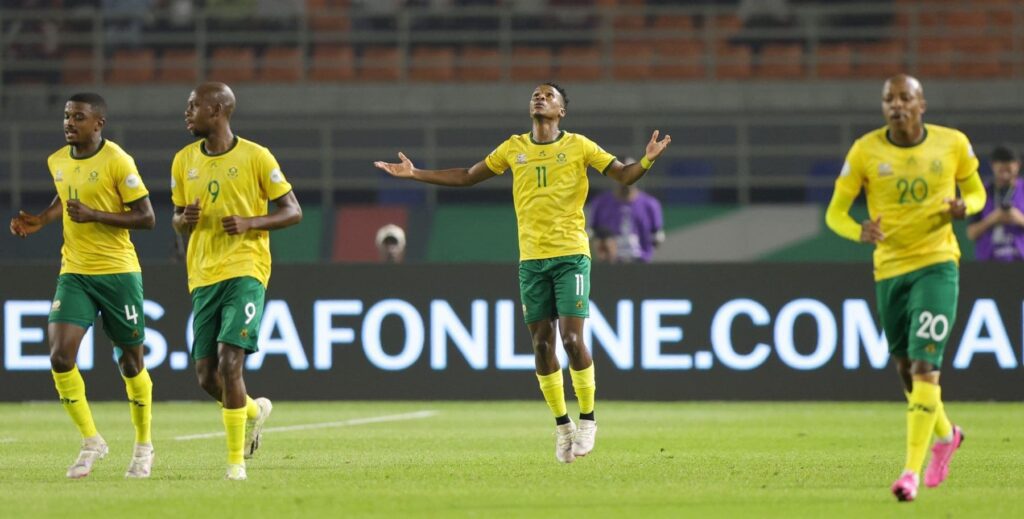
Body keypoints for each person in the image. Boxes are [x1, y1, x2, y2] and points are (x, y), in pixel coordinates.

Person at [375, 82, 671, 463]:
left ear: (561, 111)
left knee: (571, 339)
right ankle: (562, 425)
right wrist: (416, 173)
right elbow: (467, 175)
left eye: (549, 95)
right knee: (542, 346)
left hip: (571, 255)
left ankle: (588, 418)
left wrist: (646, 160)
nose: (540, 97)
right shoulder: (513, 148)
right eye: (536, 94)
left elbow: (624, 175)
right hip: (531, 260)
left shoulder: (579, 146)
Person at [825, 74, 985, 502]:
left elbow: (977, 193)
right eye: (889, 99)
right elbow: (835, 214)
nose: (896, 104)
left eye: (904, 97)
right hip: (890, 270)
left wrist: (964, 206)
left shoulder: (952, 144)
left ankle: (910, 472)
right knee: (904, 369)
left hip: (937, 264)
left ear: (921, 104)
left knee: (924, 366)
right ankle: (947, 435)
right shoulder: (865, 150)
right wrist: (858, 231)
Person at [9, 92, 157, 479]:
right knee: (60, 356)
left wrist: (95, 215)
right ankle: (91, 440)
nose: (69, 123)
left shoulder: (117, 160)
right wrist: (42, 219)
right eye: (66, 116)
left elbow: (146, 217)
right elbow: (66, 197)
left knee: (131, 362)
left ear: (98, 124)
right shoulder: (57, 161)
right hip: (74, 271)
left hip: (118, 272)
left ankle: (143, 445)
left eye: (78, 117)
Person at [171, 82, 302, 481]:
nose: (187, 112)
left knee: (231, 362)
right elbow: (177, 218)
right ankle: (253, 410)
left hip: (246, 268)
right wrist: (183, 220)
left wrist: (251, 222)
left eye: (193, 106)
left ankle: (235, 464)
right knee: (206, 377)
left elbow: (292, 211)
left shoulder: (256, 156)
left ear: (217, 110)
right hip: (202, 274)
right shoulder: (183, 161)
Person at [588, 158, 665, 263]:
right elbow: (591, 234)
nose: (626, 177)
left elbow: (657, 236)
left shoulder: (650, 205)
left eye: (632, 172)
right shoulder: (600, 203)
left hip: (641, 262)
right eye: (622, 172)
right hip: (610, 263)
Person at [967, 145, 1024, 261]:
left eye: (1009, 164)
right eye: (1000, 165)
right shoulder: (982, 192)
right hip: (989, 262)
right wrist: (992, 219)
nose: (1004, 170)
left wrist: (1019, 219)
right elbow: (971, 233)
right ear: (992, 166)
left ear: (1018, 165)